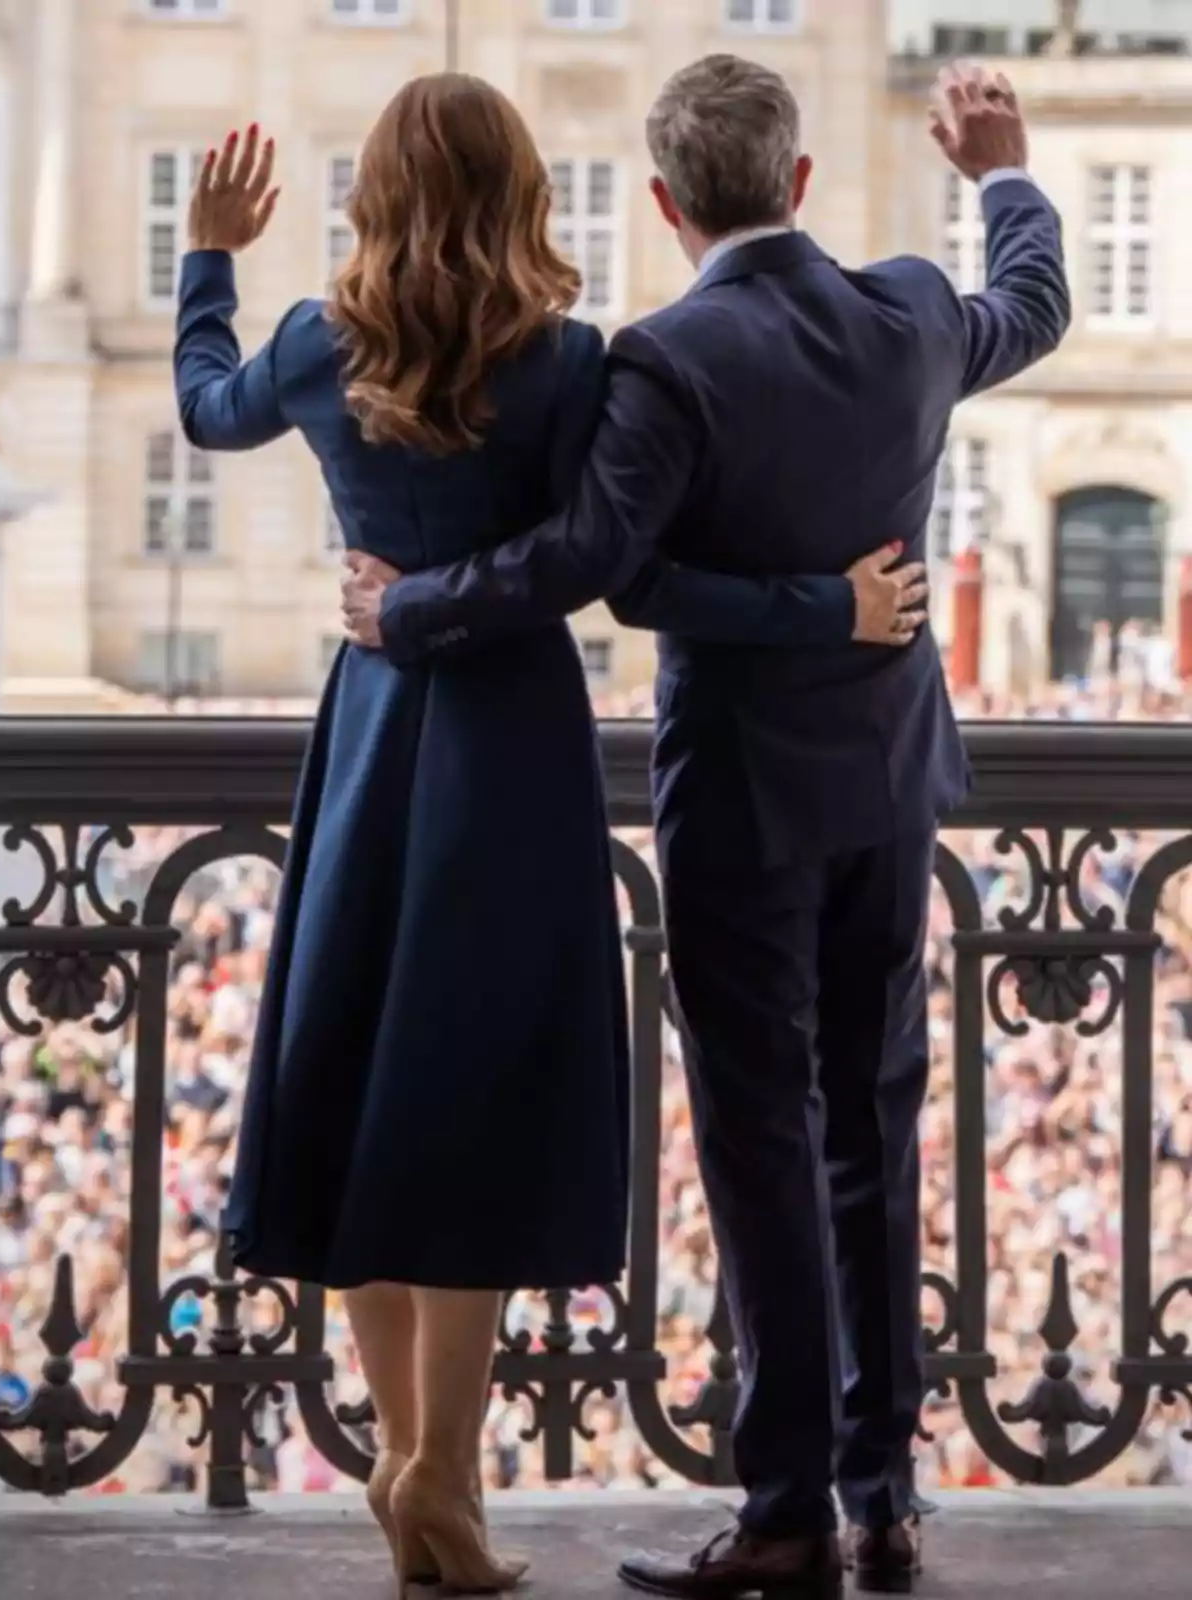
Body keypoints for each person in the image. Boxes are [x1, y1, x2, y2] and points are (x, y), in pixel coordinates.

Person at [171, 77, 922, 1597]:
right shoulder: (572, 363)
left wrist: (208, 257)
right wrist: (822, 606)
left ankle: (399, 1455)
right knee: (474, 1092)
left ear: (371, 195)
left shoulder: (322, 343)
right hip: (513, 740)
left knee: (365, 1076)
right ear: (530, 196)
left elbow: (204, 405)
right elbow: (620, 572)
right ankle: (441, 1463)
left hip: (378, 720)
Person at [340, 56, 1071, 1599]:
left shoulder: (662, 361)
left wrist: (411, 608)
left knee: (763, 1146)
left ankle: (790, 1500)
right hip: (889, 787)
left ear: (666, 205)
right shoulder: (913, 311)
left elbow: (597, 567)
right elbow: (1035, 298)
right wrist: (1002, 166)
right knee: (873, 1132)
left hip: (743, 800)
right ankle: (885, 1501)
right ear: (800, 182)